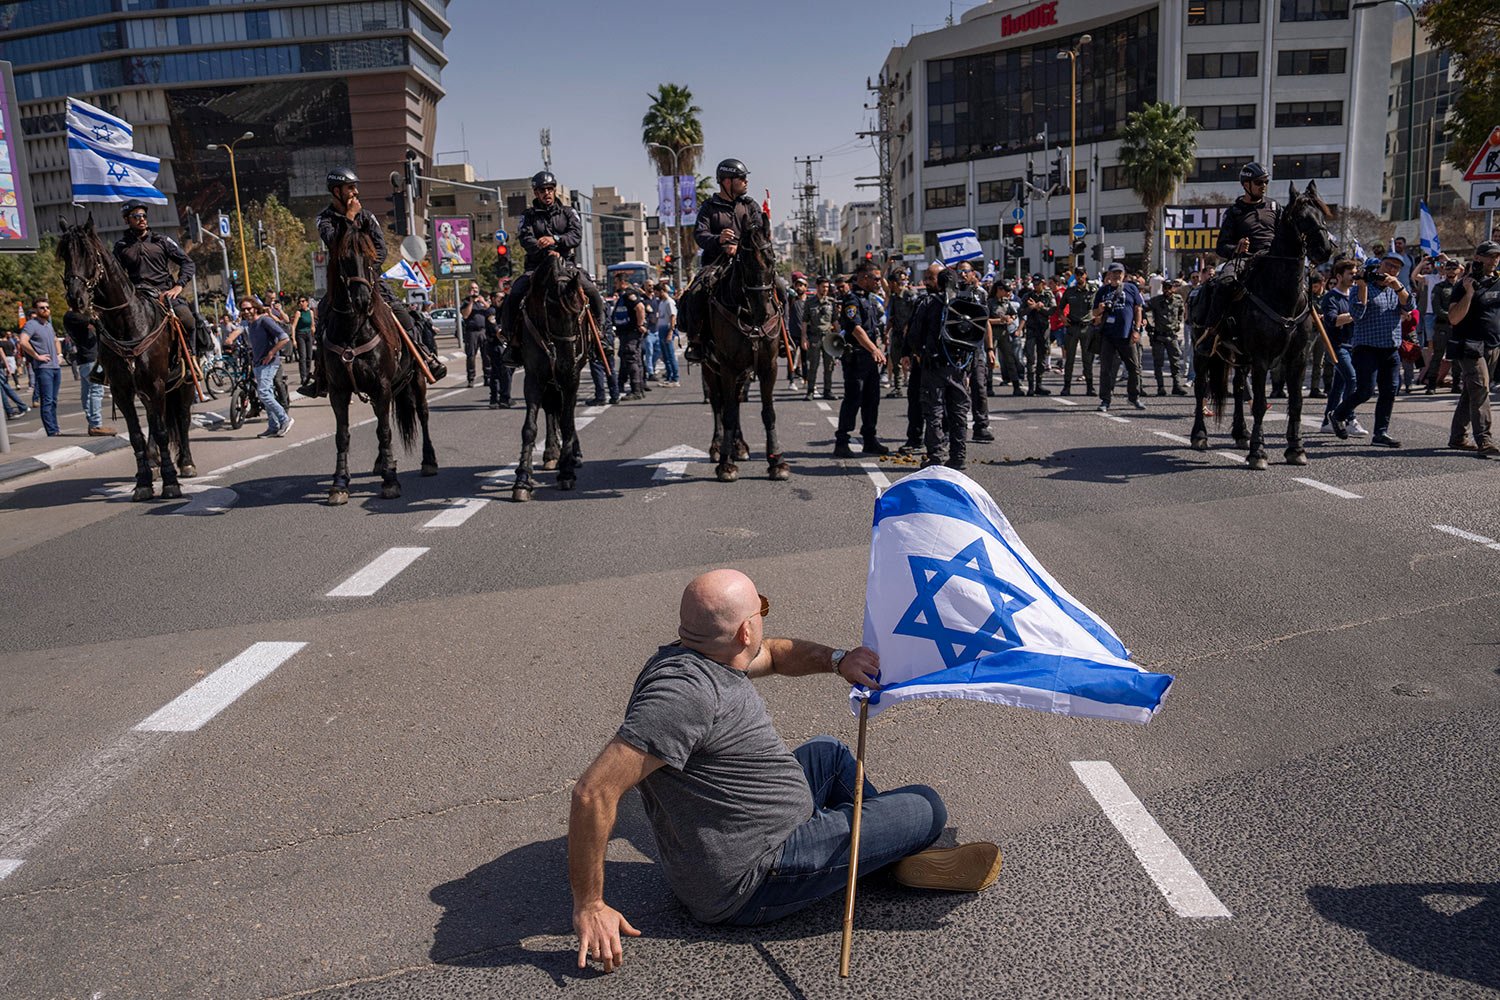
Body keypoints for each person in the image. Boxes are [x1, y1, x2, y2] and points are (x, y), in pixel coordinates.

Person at [568, 569, 1001, 971]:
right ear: (745, 630)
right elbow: (593, 792)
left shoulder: (705, 654)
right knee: (926, 807)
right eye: (762, 609)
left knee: (828, 753)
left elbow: (774, 655)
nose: (765, 621)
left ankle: (882, 853)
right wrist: (590, 904)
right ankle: (893, 855)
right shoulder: (684, 697)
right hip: (753, 876)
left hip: (765, 824)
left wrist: (840, 660)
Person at [303, 167, 446, 396]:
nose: (356, 192)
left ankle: (425, 356)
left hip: (369, 280)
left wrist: (367, 271)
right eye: (351, 188)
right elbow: (335, 244)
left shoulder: (367, 217)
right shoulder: (325, 219)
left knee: (403, 314)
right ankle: (320, 375)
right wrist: (349, 219)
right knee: (322, 316)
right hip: (341, 284)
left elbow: (381, 250)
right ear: (337, 191)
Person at [682, 159, 763, 362]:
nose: (746, 182)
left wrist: (742, 246)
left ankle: (783, 337)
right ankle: (697, 340)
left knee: (778, 288)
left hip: (747, 262)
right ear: (727, 181)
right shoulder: (709, 207)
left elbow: (761, 233)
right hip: (715, 263)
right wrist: (719, 240)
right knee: (695, 292)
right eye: (741, 178)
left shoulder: (750, 205)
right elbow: (700, 235)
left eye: (745, 178)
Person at [1329, 254, 1409, 447]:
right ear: (1380, 266)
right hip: (1367, 348)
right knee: (1365, 391)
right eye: (1388, 265)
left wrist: (1398, 286)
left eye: (1396, 268)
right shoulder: (1359, 288)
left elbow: (1410, 306)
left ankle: (1380, 433)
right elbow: (1356, 314)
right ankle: (1338, 414)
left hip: (1390, 348)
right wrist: (1363, 286)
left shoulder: (1396, 288)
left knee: (1389, 391)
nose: (1391, 270)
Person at [1193, 162, 1281, 334]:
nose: (1263, 186)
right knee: (1224, 281)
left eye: (1266, 182)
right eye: (1258, 182)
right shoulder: (1234, 212)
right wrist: (1237, 248)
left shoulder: (1275, 207)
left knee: (1304, 277)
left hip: (1273, 258)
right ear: (1246, 185)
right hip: (1245, 258)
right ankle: (1211, 330)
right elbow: (1220, 247)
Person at [911, 263, 984, 469]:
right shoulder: (966, 304)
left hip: (934, 366)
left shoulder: (928, 303)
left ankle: (936, 458)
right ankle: (958, 458)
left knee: (934, 412)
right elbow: (976, 336)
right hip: (959, 366)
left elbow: (915, 335)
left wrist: (919, 353)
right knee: (958, 413)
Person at [111, 201, 207, 357]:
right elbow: (115, 275)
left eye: (144, 215)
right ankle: (105, 368)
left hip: (165, 293)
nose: (141, 219)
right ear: (126, 220)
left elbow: (187, 262)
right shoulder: (121, 247)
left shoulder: (161, 241)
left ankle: (191, 358)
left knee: (188, 320)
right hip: (138, 296)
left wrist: (178, 286)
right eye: (136, 216)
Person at [1446, 241, 1500, 457]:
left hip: (1493, 345)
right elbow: (1453, 318)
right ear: (1478, 257)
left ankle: (1458, 437)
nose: (1494, 259)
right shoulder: (1463, 285)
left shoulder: (1497, 281)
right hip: (1469, 346)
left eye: (1497, 255)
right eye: (1490, 256)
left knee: (1471, 393)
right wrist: (1469, 293)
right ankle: (1485, 441)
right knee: (1481, 390)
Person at [833, 260, 890, 457]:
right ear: (864, 278)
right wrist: (874, 349)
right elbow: (856, 329)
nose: (878, 281)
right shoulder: (852, 300)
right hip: (857, 357)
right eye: (875, 278)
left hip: (870, 358)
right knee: (853, 399)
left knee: (871, 400)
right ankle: (842, 441)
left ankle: (869, 439)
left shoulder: (869, 298)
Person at [226, 297, 293, 438]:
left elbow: (284, 337)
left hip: (269, 362)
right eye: (243, 309)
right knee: (265, 394)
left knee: (263, 393)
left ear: (255, 307)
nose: (246, 311)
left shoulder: (264, 320)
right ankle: (273, 427)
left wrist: (271, 353)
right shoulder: (249, 324)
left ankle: (284, 419)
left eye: (249, 308)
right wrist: (229, 340)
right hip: (257, 364)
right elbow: (237, 331)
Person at [1091, 263, 1146, 413]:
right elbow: (1094, 313)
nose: (1117, 275)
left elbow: (1138, 309)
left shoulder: (1131, 288)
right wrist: (1100, 309)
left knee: (1134, 368)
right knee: (1106, 370)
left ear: (1124, 274)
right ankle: (1105, 400)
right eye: (1114, 273)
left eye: (1119, 273)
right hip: (1108, 336)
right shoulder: (1103, 291)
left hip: (1127, 335)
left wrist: (1137, 329)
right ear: (1108, 274)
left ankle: (1134, 397)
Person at [1319, 260, 1359, 434]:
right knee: (1353, 380)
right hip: (1336, 346)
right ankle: (1348, 418)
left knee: (1339, 385)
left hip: (1353, 345)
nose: (1354, 277)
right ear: (1339, 276)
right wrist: (1353, 315)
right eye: (1350, 273)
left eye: (1355, 273)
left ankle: (1327, 420)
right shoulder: (1331, 297)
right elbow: (1332, 320)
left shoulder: (1356, 295)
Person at [63, 308, 114, 436]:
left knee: (87, 392)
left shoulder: (72, 317)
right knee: (96, 391)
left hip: (86, 359)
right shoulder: (73, 315)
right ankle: (96, 425)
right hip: (90, 358)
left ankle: (92, 423)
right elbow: (96, 321)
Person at [18, 298, 61, 435]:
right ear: (36, 310)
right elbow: (23, 342)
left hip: (55, 367)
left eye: (47, 307)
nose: (45, 310)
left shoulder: (48, 324)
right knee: (47, 400)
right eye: (42, 308)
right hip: (43, 368)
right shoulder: (31, 324)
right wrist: (37, 356)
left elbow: (55, 340)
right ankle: (52, 431)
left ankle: (55, 428)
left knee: (53, 400)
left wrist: (59, 355)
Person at [1424, 258, 1462, 394]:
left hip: (1458, 327)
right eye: (1448, 268)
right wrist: (1452, 317)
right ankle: (1431, 384)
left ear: (1459, 270)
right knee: (1437, 355)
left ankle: (1456, 383)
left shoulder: (1463, 286)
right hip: (1443, 326)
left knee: (1457, 357)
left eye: (1454, 268)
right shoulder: (1439, 287)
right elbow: (1437, 308)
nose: (1451, 271)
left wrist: (1459, 318)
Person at [1060, 267, 1098, 396]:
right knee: (1069, 358)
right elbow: (1060, 308)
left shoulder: (1093, 291)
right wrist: (1063, 318)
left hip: (1087, 327)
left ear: (1086, 275)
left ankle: (1090, 387)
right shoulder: (1070, 291)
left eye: (1081, 274)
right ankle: (1066, 387)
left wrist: (1098, 317)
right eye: (1077, 275)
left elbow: (1100, 305)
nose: (1079, 277)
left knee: (1087, 359)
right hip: (1072, 327)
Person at [1145, 279, 1187, 396]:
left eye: (1169, 287)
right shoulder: (1156, 300)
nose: (1167, 290)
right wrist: (1148, 325)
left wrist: (1178, 322)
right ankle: (1160, 387)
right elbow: (1142, 309)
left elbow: (1181, 312)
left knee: (1175, 361)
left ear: (1173, 288)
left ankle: (1176, 385)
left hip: (1172, 335)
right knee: (1158, 362)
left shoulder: (1178, 300)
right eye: (1165, 287)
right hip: (1159, 336)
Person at [611, 272, 649, 400]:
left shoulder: (629, 294)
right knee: (634, 360)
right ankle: (639, 388)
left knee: (632, 359)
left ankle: (636, 391)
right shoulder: (623, 295)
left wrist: (640, 324)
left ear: (623, 282)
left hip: (631, 332)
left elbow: (640, 308)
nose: (614, 285)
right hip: (625, 332)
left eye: (616, 282)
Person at [801, 276, 838, 400]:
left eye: (827, 287)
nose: (825, 289)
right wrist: (804, 337)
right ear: (817, 287)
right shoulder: (810, 302)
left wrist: (840, 337)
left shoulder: (832, 302)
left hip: (828, 337)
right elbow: (805, 321)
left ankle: (828, 390)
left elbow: (835, 321)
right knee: (813, 365)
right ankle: (810, 391)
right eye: (823, 287)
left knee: (829, 366)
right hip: (814, 337)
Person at [1019, 274, 1055, 396]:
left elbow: (1052, 310)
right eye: (1034, 283)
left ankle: (1039, 384)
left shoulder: (1048, 295)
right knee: (1030, 357)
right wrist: (1031, 307)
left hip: (1044, 329)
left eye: (1038, 283)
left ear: (1043, 283)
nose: (1035, 286)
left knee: (1042, 357)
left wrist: (1041, 308)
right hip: (1031, 329)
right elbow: (1020, 312)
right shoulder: (1028, 296)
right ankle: (1030, 386)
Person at [460, 281, 494, 389]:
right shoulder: (466, 302)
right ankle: (471, 378)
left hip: (483, 331)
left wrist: (483, 302)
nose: (474, 290)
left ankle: (487, 377)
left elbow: (491, 311)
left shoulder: (482, 301)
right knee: (471, 356)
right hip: (471, 332)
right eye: (472, 288)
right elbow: (465, 315)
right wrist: (471, 302)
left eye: (476, 288)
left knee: (486, 356)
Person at [654, 283, 679, 386]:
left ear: (662, 291)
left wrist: (671, 331)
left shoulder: (669, 302)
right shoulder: (662, 302)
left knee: (670, 355)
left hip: (667, 329)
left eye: (657, 292)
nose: (655, 294)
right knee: (665, 355)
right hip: (661, 329)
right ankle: (669, 377)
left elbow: (673, 317)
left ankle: (675, 378)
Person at [290, 295, 316, 386]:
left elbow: (312, 326)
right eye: (299, 302)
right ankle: (303, 377)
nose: (301, 303)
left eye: (303, 301)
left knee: (310, 356)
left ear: (307, 302)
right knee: (303, 357)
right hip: (300, 335)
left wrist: (315, 337)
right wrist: (294, 340)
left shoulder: (311, 312)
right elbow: (293, 326)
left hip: (308, 334)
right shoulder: (298, 313)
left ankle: (308, 375)